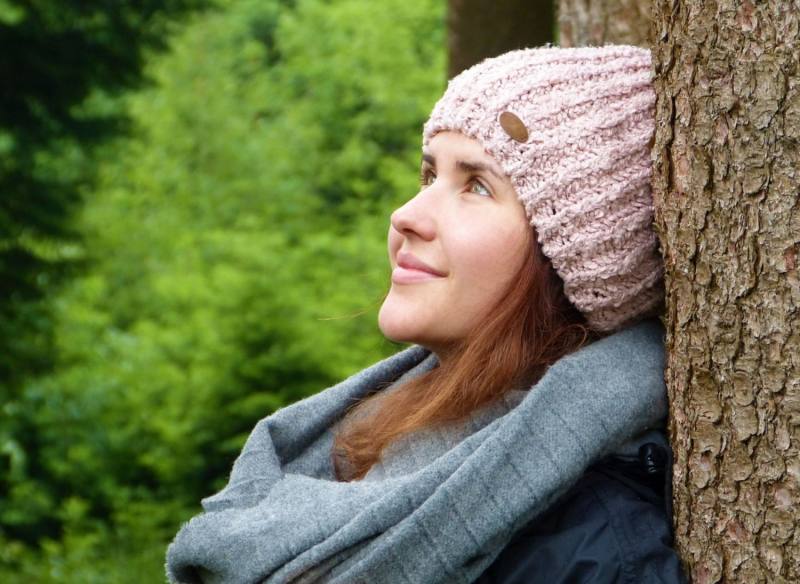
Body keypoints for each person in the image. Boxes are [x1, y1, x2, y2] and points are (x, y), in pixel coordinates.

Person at [166, 44, 687, 583]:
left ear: (577, 259)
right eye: (428, 175)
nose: (406, 215)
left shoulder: (593, 556)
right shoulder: (371, 440)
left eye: (477, 186)